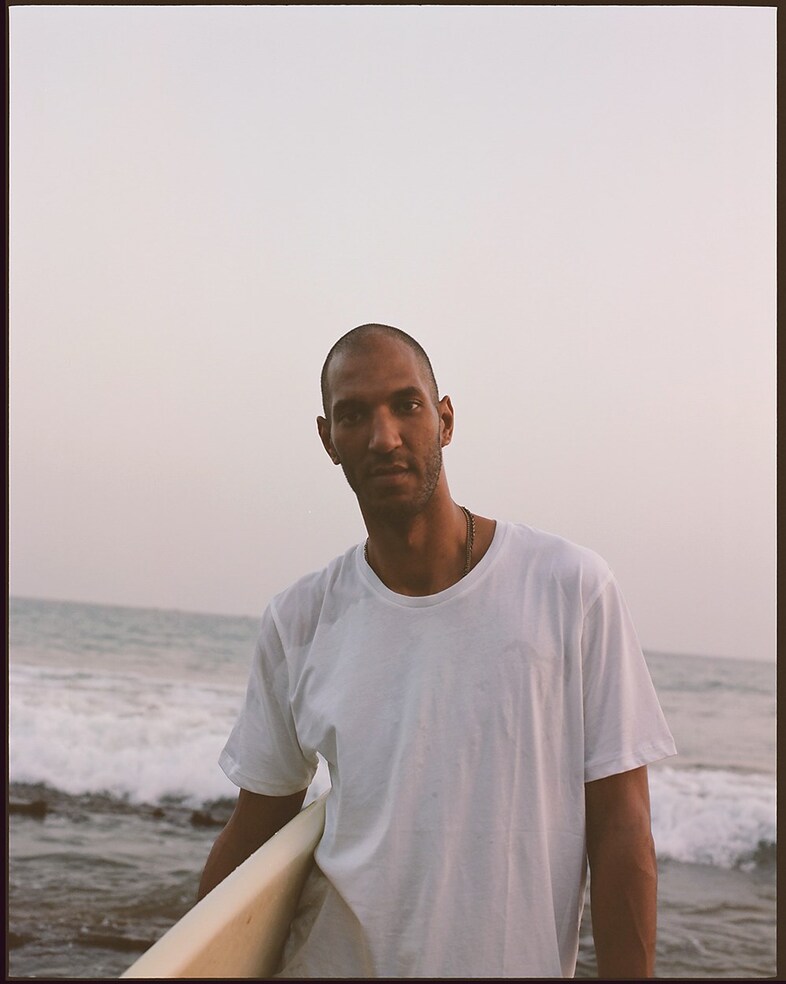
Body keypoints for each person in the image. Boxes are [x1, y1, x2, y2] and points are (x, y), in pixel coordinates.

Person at [199, 323, 677, 978]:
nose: (384, 436)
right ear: (328, 439)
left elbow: (622, 832)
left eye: (407, 405)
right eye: (354, 414)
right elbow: (256, 829)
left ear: (445, 420)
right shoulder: (300, 618)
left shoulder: (570, 588)